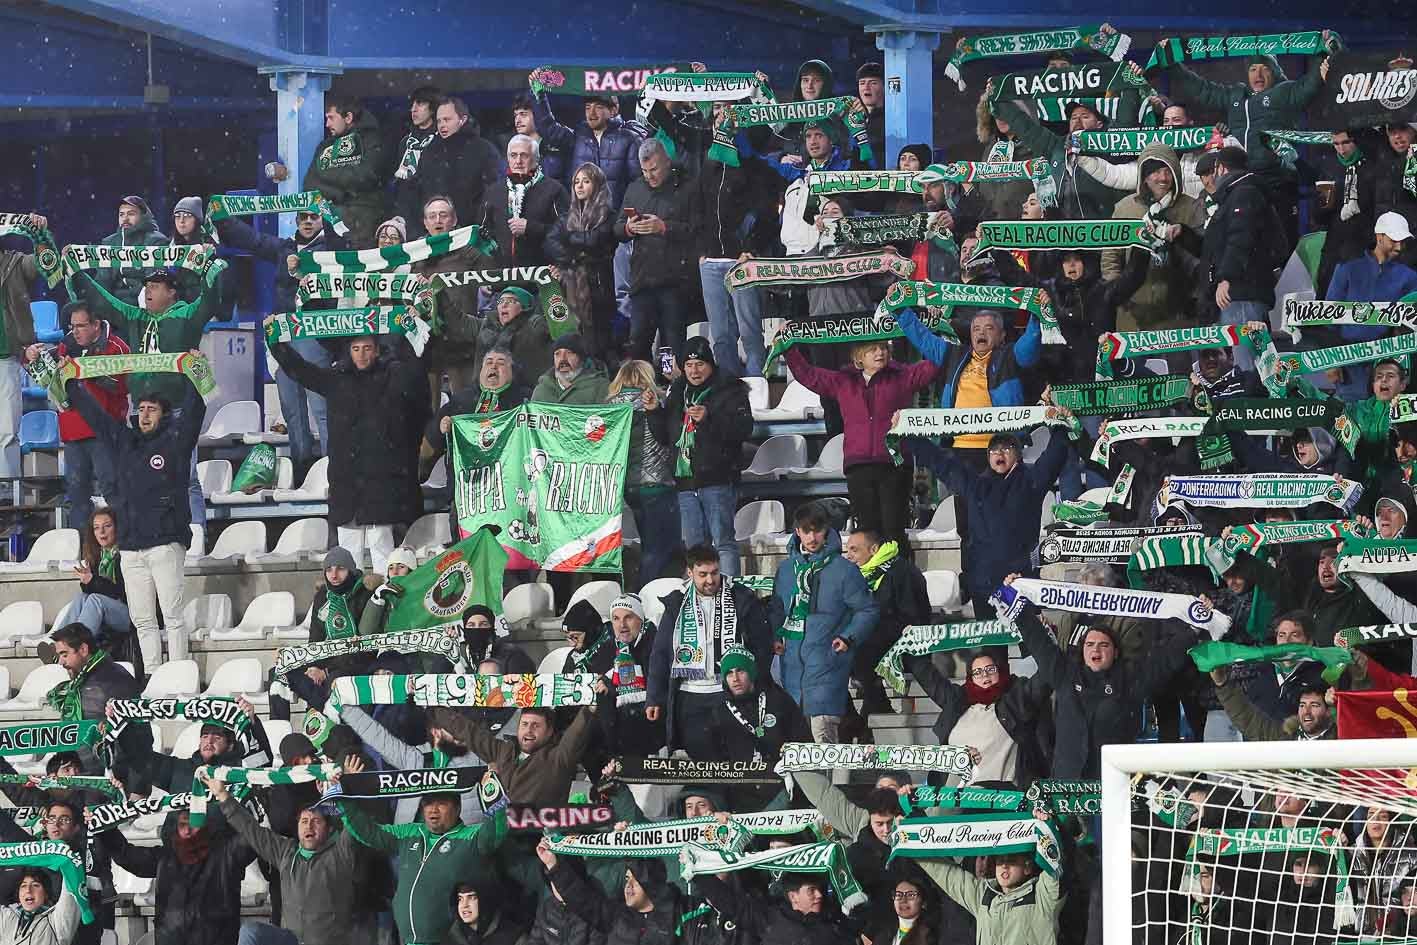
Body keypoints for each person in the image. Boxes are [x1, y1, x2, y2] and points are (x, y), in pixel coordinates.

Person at [62, 362, 205, 667]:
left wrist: (195, 374)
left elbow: (195, 413)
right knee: (143, 620)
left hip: (166, 543)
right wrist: (71, 384)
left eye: (152, 409)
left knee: (172, 616)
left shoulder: (176, 442)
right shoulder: (125, 442)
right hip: (130, 548)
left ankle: (179, 674)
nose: (145, 414)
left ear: (164, 414)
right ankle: (152, 676)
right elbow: (96, 417)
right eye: (141, 409)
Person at [267, 331, 428, 575]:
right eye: (356, 349)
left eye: (367, 348)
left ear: (377, 350)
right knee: (347, 559)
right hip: (346, 484)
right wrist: (275, 343)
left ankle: (384, 598)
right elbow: (300, 370)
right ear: (349, 351)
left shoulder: (392, 378)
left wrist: (413, 332)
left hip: (380, 483)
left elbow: (415, 375)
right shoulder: (336, 379)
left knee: (382, 552)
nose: (361, 354)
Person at [1006, 573, 1197, 778]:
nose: (1095, 649)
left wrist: (1197, 625)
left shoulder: (1131, 679)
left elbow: (1166, 659)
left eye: (1104, 645)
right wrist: (1014, 594)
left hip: (1114, 782)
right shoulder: (1064, 674)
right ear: (1082, 650)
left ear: (1116, 652)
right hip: (1068, 783)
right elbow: (1038, 641)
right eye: (1089, 644)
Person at [211, 207, 345, 477]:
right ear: (296, 220)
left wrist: (331, 218)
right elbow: (253, 240)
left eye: (314, 217)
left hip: (314, 334)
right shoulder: (285, 248)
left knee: (321, 409)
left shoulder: (332, 247)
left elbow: (347, 243)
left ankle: (334, 474)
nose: (308, 221)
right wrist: (222, 218)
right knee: (292, 411)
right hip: (283, 334)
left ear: (322, 220)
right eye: (303, 217)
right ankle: (303, 473)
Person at [1163, 45, 1333, 247]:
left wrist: (1323, 50)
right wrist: (1172, 64)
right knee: (1245, 242)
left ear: (1274, 71)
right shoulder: (1236, 95)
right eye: (1253, 69)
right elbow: (1202, 90)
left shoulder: (1285, 92)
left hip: (1276, 184)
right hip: (1241, 183)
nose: (1258, 75)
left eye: (1264, 68)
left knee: (1281, 244)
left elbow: (1310, 84)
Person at [903, 417, 1074, 616]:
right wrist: (909, 433)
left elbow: (1054, 456)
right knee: (990, 636)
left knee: (1027, 634)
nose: (999, 453)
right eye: (994, 450)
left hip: (1020, 581)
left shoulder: (1031, 482)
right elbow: (942, 463)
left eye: (1006, 449)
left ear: (1018, 454)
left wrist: (1060, 424)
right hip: (983, 585)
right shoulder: (976, 486)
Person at [784, 338, 941, 545]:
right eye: (872, 349)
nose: (880, 353)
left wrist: (937, 331)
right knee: (866, 533)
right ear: (859, 356)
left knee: (894, 530)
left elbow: (935, 363)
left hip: (894, 466)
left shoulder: (902, 376)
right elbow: (807, 374)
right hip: (858, 467)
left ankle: (898, 567)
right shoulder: (843, 381)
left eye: (883, 348)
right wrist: (788, 347)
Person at [334, 761, 508, 945]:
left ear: (457, 808)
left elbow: (496, 830)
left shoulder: (471, 837)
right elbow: (370, 832)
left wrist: (492, 790)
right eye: (427, 803)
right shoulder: (410, 832)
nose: (433, 809)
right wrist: (345, 799)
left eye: (441, 803)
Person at [202, 772, 372, 945]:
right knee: (250, 931)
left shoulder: (341, 852)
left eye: (316, 821)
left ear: (329, 830)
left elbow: (354, 825)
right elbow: (251, 830)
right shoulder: (286, 852)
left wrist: (350, 787)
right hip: (291, 940)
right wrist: (222, 795)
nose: (309, 826)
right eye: (304, 821)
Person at [646, 544, 774, 760]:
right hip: (690, 697)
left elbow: (762, 646)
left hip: (730, 692)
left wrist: (754, 682)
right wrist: (654, 698)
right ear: (690, 573)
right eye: (703, 574)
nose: (710, 580)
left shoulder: (740, 597)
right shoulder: (677, 603)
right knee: (701, 763)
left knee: (737, 761)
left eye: (714, 572)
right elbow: (660, 654)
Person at [770, 502, 880, 743]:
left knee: (823, 747)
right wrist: (776, 635)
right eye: (806, 531)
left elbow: (868, 609)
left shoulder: (844, 570)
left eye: (817, 530)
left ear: (827, 530)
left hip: (827, 667)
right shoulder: (786, 570)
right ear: (797, 532)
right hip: (791, 673)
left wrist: (848, 637)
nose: (812, 537)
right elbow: (777, 610)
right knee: (796, 750)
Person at [23, 301, 128, 531]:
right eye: (72, 327)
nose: (75, 332)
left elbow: (122, 386)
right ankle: (83, 546)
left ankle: (125, 542)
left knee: (112, 489)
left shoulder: (117, 347)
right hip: (72, 433)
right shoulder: (65, 345)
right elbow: (39, 368)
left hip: (104, 432)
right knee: (77, 494)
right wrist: (29, 355)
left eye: (81, 326)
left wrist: (82, 371)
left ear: (96, 325)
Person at [651, 337, 752, 575]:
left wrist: (709, 418)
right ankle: (699, 594)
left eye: (699, 364)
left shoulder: (729, 389)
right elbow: (665, 437)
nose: (694, 371)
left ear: (710, 364)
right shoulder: (678, 391)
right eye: (688, 365)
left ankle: (728, 592)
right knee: (694, 548)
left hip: (717, 479)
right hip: (686, 483)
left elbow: (743, 429)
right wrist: (653, 412)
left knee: (723, 543)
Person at [96, 809, 257, 945]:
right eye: (182, 825)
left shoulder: (227, 854)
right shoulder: (164, 858)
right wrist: (102, 825)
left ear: (207, 827)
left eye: (193, 824)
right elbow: (126, 855)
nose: (187, 830)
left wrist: (236, 804)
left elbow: (255, 839)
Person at [915, 812, 1068, 945]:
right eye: (1000, 861)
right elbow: (943, 872)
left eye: (1011, 860)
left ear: (1027, 867)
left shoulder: (1043, 895)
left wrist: (1048, 826)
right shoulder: (983, 895)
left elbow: (1056, 862)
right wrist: (911, 821)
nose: (1004, 866)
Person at [1100, 143, 1207, 333]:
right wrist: (1115, 292)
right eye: (1156, 172)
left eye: (1168, 171)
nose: (1163, 178)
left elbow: (1204, 255)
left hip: (1179, 315)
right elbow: (1111, 256)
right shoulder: (1124, 208)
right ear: (1145, 176)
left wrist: (1197, 297)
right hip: (1133, 313)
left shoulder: (1192, 207)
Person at [1200, 146, 1282, 371]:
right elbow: (1216, 248)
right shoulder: (1236, 195)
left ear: (1221, 168)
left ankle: (1251, 394)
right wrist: (1183, 235)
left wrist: (1226, 278)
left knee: (1247, 366)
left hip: (1242, 294)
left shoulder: (1244, 193)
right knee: (1238, 366)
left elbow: (1241, 238)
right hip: (1239, 294)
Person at [270, 547, 373, 720]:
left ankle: (322, 715)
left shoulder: (364, 594)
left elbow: (365, 647)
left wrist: (325, 671)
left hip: (356, 662)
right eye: (329, 570)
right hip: (326, 659)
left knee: (334, 679)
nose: (334, 575)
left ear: (350, 570)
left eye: (340, 569)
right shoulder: (323, 596)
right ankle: (278, 728)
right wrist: (313, 667)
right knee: (279, 670)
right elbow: (315, 638)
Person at [428, 704, 597, 808]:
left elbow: (576, 736)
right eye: (524, 724)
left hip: (538, 841)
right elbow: (469, 731)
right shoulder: (502, 750)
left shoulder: (557, 758)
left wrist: (589, 709)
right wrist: (431, 708)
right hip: (501, 839)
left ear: (550, 731)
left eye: (536, 726)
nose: (528, 730)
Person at [615, 138, 693, 361]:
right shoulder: (635, 188)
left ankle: (671, 381)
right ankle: (643, 381)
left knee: (672, 345)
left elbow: (696, 230)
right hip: (642, 281)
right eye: (645, 171)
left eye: (654, 169)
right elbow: (617, 228)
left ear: (667, 161)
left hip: (674, 282)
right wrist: (628, 228)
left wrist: (664, 227)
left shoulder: (685, 188)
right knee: (638, 342)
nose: (650, 176)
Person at [1327, 213, 1417, 402]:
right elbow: (1328, 317)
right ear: (1379, 237)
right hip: (1350, 361)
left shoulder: (1409, 277)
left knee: (1387, 416)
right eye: (1394, 240)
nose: (1399, 247)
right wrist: (1331, 361)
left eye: (1402, 242)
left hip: (1389, 361)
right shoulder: (1347, 268)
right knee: (1352, 415)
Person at [843, 528, 930, 723]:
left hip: (905, 642)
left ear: (874, 549)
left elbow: (911, 618)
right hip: (873, 639)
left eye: (854, 550)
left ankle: (876, 708)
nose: (848, 556)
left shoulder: (902, 571)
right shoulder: (859, 574)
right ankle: (852, 719)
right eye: (847, 550)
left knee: (857, 649)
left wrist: (865, 630)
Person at [414, 195, 497, 399]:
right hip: (428, 341)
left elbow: (494, 275)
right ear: (425, 223)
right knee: (428, 406)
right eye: (432, 216)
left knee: (465, 402)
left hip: (461, 338)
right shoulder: (414, 253)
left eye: (443, 215)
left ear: (454, 220)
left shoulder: (468, 248)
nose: (438, 220)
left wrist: (487, 245)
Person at [709, 645, 809, 809]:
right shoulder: (719, 711)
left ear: (751, 673)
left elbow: (803, 741)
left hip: (782, 786)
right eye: (729, 673)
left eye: (740, 671)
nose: (735, 679)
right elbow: (716, 760)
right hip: (741, 793)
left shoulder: (778, 700)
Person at [606, 360, 678, 584]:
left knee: (649, 546)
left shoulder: (608, 408)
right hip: (657, 484)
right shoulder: (657, 401)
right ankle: (643, 594)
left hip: (628, 488)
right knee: (658, 549)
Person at [44, 623, 146, 773]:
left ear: (83, 650)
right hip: (81, 772)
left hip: (106, 777)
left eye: (65, 655)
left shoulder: (113, 680)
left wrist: (127, 780)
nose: (61, 662)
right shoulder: (81, 681)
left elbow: (139, 735)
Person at [534, 841, 681, 945]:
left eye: (636, 880)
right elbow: (581, 899)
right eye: (627, 879)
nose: (628, 886)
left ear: (652, 884)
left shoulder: (676, 916)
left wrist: (629, 848)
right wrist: (553, 865)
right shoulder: (616, 916)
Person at [547, 162, 620, 364]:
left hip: (600, 285)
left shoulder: (609, 216)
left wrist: (569, 239)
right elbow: (550, 242)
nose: (579, 186)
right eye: (576, 182)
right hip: (572, 286)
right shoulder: (566, 217)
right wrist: (571, 258)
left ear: (597, 184)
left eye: (586, 181)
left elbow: (594, 240)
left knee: (601, 342)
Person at [424, 347, 532, 473]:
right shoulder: (460, 402)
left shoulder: (526, 401)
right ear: (481, 371)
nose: (493, 366)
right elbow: (428, 449)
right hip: (467, 479)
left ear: (512, 372)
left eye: (501, 363)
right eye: (489, 362)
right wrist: (441, 428)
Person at [529, 88, 642, 208]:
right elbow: (548, 129)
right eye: (588, 107)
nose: (591, 113)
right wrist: (538, 96)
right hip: (581, 215)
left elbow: (637, 184)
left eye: (598, 107)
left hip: (615, 216)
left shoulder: (629, 139)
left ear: (613, 110)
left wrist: (624, 215)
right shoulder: (577, 136)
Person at [301, 95, 387, 247]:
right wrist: (339, 192)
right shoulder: (325, 147)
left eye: (331, 118)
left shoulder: (371, 140)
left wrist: (327, 175)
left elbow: (366, 176)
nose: (327, 124)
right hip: (330, 223)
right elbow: (310, 185)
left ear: (348, 117)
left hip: (364, 223)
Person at [415, 96, 500, 239]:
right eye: (439, 121)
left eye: (447, 120)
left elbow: (493, 193)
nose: (442, 125)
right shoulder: (429, 152)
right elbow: (420, 191)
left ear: (463, 119)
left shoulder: (483, 150)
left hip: (472, 234)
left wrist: (481, 226)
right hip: (434, 234)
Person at [594, 594, 666, 759]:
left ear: (640, 619)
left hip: (651, 715)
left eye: (628, 618)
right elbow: (602, 676)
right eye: (616, 619)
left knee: (629, 715)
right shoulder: (608, 646)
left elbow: (656, 684)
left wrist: (611, 685)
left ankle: (620, 761)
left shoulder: (655, 642)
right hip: (619, 720)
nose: (622, 625)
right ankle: (611, 762)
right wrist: (603, 683)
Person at [0, 211, 43, 481]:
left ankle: (7, 492)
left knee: (7, 431)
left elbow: (45, 265)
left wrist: (40, 235)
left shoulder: (15, 263)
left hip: (6, 359)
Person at [1315, 129, 1383, 295]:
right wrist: (1322, 204)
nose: (1341, 149)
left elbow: (1378, 207)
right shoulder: (1329, 167)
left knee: (1358, 294)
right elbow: (1319, 218)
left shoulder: (1373, 168)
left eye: (1346, 142)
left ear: (1356, 141)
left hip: (1363, 242)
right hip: (1335, 243)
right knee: (1326, 288)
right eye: (1336, 144)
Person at [490, 135, 569, 267]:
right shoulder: (494, 191)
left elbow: (567, 232)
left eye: (524, 155)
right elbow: (484, 233)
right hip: (501, 274)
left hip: (543, 272)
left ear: (536, 159)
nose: (518, 161)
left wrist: (531, 228)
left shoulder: (554, 190)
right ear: (508, 159)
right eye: (513, 155)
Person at [92, 195, 167, 310]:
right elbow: (102, 281)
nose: (125, 219)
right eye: (121, 214)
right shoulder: (109, 242)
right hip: (114, 300)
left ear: (143, 216)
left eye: (131, 214)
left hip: (142, 301)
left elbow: (154, 281)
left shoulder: (156, 241)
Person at [475, 288, 553, 388]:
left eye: (511, 301)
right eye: (501, 301)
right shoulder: (486, 325)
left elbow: (558, 319)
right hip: (485, 391)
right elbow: (459, 321)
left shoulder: (535, 325)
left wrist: (551, 287)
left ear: (524, 307)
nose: (504, 305)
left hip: (527, 392)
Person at [389, 85, 442, 230]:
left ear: (433, 108)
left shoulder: (441, 141)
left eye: (420, 104)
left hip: (432, 213)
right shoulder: (405, 142)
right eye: (412, 105)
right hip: (406, 214)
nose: (413, 109)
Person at [0, 869, 81, 945]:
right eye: (23, 885)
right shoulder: (7, 916)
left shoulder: (56, 921)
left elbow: (71, 882)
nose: (28, 890)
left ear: (46, 893)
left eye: (35, 885)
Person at [1377, 121, 1417, 267]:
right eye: (1391, 131)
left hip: (1411, 244)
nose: (1397, 136)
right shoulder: (1382, 159)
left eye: (1403, 128)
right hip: (1388, 245)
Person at [531, 334, 609, 405]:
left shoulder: (600, 387)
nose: (562, 359)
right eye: (557, 354)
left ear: (581, 359)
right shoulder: (541, 390)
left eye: (569, 353)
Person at [445, 879, 529, 945]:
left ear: (484, 900)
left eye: (472, 898)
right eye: (460, 899)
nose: (464, 905)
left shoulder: (514, 937)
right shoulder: (452, 938)